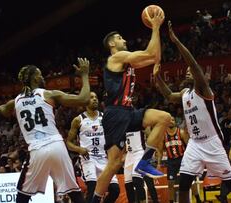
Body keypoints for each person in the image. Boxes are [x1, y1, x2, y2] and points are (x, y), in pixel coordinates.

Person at [154, 21, 231, 203]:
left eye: (190, 70)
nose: (188, 72)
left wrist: (176, 42)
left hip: (212, 142)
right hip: (194, 144)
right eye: (186, 71)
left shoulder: (204, 90)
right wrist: (157, 78)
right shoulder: (185, 93)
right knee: (183, 184)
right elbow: (169, 95)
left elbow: (192, 62)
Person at [91, 9, 171, 203]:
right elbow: (150, 53)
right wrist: (155, 27)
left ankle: (144, 161)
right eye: (119, 38)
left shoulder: (128, 62)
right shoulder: (116, 58)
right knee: (114, 164)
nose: (124, 40)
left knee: (164, 118)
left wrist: (156, 31)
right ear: (112, 44)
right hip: (115, 113)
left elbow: (155, 57)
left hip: (128, 111)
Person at [0, 58, 90, 203]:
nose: (42, 77)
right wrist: (84, 75)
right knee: (74, 193)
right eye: (40, 74)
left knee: (22, 197)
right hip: (57, 146)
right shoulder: (48, 94)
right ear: (35, 78)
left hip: (37, 150)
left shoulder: (15, 102)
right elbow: (84, 99)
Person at [66, 92, 119, 203]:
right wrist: (79, 149)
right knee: (92, 187)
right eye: (91, 97)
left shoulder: (105, 117)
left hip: (104, 159)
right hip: (88, 159)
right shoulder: (78, 120)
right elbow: (68, 143)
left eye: (96, 97)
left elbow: (113, 137)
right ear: (85, 101)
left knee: (115, 190)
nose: (95, 99)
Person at [160, 117, 202, 203]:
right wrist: (158, 162)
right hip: (171, 161)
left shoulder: (181, 132)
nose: (172, 121)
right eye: (170, 120)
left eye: (173, 120)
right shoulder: (163, 135)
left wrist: (192, 158)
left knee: (191, 181)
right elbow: (160, 150)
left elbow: (189, 146)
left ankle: (198, 199)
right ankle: (171, 201)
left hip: (183, 159)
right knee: (170, 183)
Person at [124, 130, 159, 203]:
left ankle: (155, 201)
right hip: (130, 156)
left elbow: (151, 135)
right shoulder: (124, 125)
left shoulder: (140, 124)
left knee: (149, 185)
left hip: (142, 156)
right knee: (129, 184)